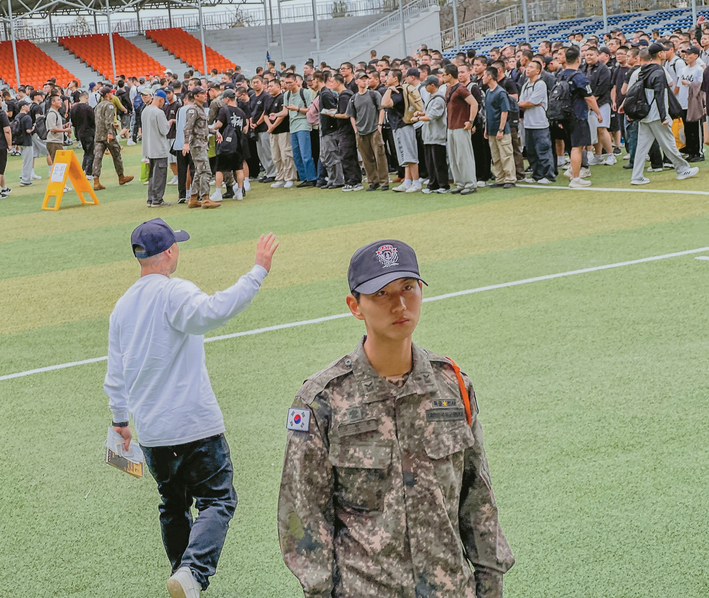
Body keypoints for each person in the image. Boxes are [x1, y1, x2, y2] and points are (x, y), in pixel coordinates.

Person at [278, 239, 514, 597]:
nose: (400, 304)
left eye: (408, 288)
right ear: (355, 306)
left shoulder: (453, 386)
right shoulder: (321, 401)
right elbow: (303, 516)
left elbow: (477, 498)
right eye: (381, 294)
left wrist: (490, 586)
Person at [104, 220, 278, 598]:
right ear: (168, 252)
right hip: (194, 426)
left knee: (172, 504)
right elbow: (216, 310)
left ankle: (182, 574)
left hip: (151, 433)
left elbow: (114, 375)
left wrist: (120, 421)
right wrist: (257, 271)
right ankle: (193, 573)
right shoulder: (174, 292)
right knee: (219, 499)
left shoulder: (122, 308)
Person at [629, 43, 699, 185]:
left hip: (644, 114)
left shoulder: (643, 70)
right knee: (668, 143)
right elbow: (661, 95)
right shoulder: (659, 71)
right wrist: (663, 116)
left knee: (642, 147)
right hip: (656, 115)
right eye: (663, 51)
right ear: (660, 54)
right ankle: (682, 169)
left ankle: (636, 176)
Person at [558, 47, 601, 188]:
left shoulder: (560, 75)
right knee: (577, 147)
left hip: (564, 115)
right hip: (577, 115)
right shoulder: (579, 76)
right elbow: (589, 97)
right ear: (578, 59)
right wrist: (598, 112)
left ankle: (573, 170)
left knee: (572, 146)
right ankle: (575, 178)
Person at [346, 72, 389, 191]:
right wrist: (356, 130)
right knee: (366, 158)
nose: (364, 81)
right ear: (357, 81)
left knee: (380, 156)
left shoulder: (374, 94)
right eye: (362, 79)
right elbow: (351, 115)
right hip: (361, 132)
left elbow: (381, 110)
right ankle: (373, 182)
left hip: (374, 129)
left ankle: (384, 182)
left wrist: (379, 125)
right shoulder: (353, 98)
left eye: (366, 79)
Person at [382, 69, 422, 192]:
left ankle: (416, 182)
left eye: (388, 76)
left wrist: (389, 90)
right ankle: (408, 181)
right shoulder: (394, 91)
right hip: (396, 126)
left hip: (404, 125)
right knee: (404, 155)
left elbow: (385, 103)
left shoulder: (399, 91)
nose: (385, 78)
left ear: (395, 78)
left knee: (410, 155)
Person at [443, 64, 479, 195]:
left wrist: (470, 121)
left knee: (464, 157)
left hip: (460, 126)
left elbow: (474, 103)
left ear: (449, 75)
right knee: (454, 158)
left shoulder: (461, 89)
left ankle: (470, 184)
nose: (442, 76)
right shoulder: (449, 89)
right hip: (451, 126)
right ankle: (460, 183)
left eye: (444, 74)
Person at [183, 86, 220, 209]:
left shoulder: (201, 109)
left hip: (201, 143)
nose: (205, 95)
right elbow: (188, 127)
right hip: (197, 144)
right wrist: (186, 142)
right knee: (206, 171)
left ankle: (193, 198)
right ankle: (205, 198)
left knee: (199, 172)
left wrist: (214, 132)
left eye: (205, 93)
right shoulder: (193, 110)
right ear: (195, 96)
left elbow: (202, 128)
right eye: (202, 93)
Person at [519, 60, 555, 183]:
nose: (527, 69)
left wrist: (530, 103)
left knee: (543, 149)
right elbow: (523, 103)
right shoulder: (525, 85)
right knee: (531, 151)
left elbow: (530, 102)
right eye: (527, 67)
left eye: (531, 67)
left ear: (538, 71)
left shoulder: (540, 84)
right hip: (528, 123)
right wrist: (528, 103)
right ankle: (537, 174)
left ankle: (548, 175)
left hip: (540, 123)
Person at [92, 86, 134, 191]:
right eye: (111, 93)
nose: (112, 95)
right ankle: (121, 176)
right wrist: (110, 133)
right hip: (107, 135)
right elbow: (108, 120)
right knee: (116, 155)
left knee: (97, 158)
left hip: (98, 135)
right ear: (107, 95)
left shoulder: (98, 106)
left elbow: (99, 121)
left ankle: (96, 181)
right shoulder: (109, 105)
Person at [482, 67, 517, 189]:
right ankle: (500, 178)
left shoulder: (500, 92)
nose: (482, 78)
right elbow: (488, 112)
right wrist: (486, 128)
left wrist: (501, 129)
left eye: (484, 75)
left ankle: (510, 178)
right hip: (491, 129)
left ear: (490, 76)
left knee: (505, 154)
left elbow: (504, 111)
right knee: (495, 156)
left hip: (501, 129)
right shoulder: (488, 92)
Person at [280, 74, 316, 187]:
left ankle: (311, 177)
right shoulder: (286, 94)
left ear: (296, 81)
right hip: (293, 126)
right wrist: (275, 115)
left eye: (290, 82)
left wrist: (297, 109)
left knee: (306, 153)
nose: (288, 85)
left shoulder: (304, 92)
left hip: (303, 124)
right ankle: (304, 177)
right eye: (286, 83)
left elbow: (310, 110)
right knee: (296, 154)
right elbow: (285, 111)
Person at [415, 75, 450, 193]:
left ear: (433, 85)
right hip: (429, 135)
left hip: (437, 135)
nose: (425, 87)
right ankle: (433, 184)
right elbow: (429, 112)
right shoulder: (431, 97)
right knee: (430, 162)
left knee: (439, 162)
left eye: (427, 85)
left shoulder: (439, 99)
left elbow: (432, 116)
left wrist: (419, 119)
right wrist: (421, 114)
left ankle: (443, 185)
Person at [213, 89, 248, 200]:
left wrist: (211, 129)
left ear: (227, 99)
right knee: (238, 168)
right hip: (238, 143)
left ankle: (218, 193)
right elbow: (245, 128)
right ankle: (240, 192)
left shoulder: (224, 110)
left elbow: (219, 124)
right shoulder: (241, 112)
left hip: (226, 144)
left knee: (220, 169)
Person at [141, 89, 171, 207]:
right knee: (160, 175)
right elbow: (164, 130)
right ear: (161, 99)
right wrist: (169, 123)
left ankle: (151, 198)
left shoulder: (145, 111)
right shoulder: (159, 112)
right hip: (159, 148)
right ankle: (157, 199)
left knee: (152, 175)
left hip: (149, 148)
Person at [265, 79, 296, 188]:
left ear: (278, 87)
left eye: (271, 86)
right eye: (268, 86)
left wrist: (273, 125)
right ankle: (280, 177)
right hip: (273, 132)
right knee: (275, 155)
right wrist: (269, 126)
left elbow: (283, 114)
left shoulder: (283, 97)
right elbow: (265, 115)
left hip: (283, 130)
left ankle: (289, 177)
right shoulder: (268, 100)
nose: (269, 88)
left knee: (286, 154)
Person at [69, 91, 96, 179]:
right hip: (89, 132)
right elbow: (93, 121)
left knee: (86, 152)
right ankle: (88, 172)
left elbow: (73, 122)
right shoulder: (88, 108)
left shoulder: (73, 109)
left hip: (79, 132)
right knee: (91, 152)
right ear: (86, 98)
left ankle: (83, 169)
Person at [12, 102, 34, 187]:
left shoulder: (17, 116)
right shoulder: (27, 117)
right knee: (28, 161)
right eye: (27, 105)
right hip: (26, 141)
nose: (29, 107)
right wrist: (34, 128)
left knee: (25, 160)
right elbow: (28, 130)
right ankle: (25, 180)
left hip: (19, 140)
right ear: (23, 107)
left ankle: (23, 175)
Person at [46, 94, 71, 164]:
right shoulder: (52, 113)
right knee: (58, 162)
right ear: (53, 102)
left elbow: (55, 126)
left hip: (58, 141)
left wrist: (64, 126)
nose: (61, 102)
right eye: (58, 100)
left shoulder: (56, 113)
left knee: (60, 162)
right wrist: (65, 130)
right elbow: (52, 128)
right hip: (54, 141)